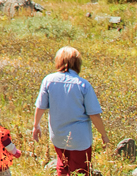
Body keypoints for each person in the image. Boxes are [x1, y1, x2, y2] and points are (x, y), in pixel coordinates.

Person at [31, 46, 110, 176]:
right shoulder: (83, 85)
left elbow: (40, 106)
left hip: (58, 136)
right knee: (80, 171)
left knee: (62, 166)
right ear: (78, 63)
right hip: (79, 139)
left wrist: (36, 126)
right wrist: (104, 135)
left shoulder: (48, 80)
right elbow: (94, 114)